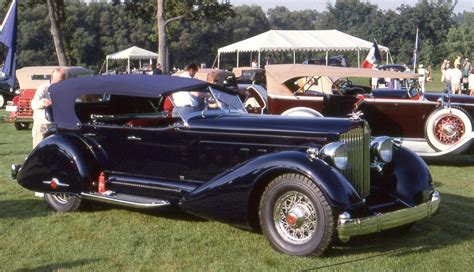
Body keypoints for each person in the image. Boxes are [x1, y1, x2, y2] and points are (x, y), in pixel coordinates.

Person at [31, 68, 65, 148]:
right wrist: (44, 102)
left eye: (63, 81)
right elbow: (33, 104)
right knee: (39, 151)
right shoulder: (43, 88)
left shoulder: (63, 90)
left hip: (56, 127)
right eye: (59, 81)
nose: (61, 83)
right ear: (52, 78)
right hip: (42, 127)